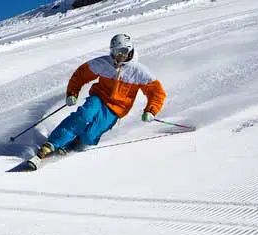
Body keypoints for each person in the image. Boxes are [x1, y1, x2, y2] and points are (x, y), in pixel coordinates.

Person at [34, 34, 166, 161]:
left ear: (130, 50)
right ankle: (53, 143)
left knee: (91, 135)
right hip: (98, 98)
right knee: (84, 115)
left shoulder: (138, 71)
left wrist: (151, 110)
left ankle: (77, 142)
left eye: (123, 51)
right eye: (116, 52)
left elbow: (157, 92)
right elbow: (80, 75)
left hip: (116, 109)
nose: (120, 55)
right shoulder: (104, 63)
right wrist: (72, 93)